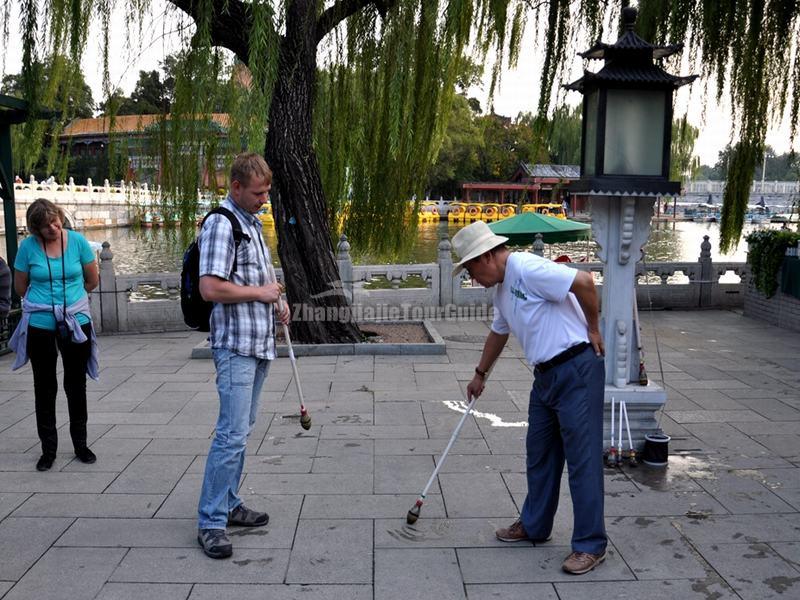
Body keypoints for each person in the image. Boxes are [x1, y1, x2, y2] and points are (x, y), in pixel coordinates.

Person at [455, 220, 607, 575]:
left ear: (488, 256)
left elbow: (584, 282)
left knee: (581, 461)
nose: (472, 278)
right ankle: (535, 525)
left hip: (576, 369)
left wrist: (594, 328)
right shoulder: (502, 291)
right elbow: (499, 333)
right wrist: (480, 374)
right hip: (545, 377)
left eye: (471, 269)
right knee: (539, 453)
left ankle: (590, 545)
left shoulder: (526, 267)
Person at [196, 153, 290, 559]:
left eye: (267, 191)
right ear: (235, 187)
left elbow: (256, 281)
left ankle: (230, 503)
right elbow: (210, 288)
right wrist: (261, 294)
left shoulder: (251, 223)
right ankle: (211, 520)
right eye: (258, 192)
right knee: (231, 434)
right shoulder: (222, 223)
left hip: (258, 341)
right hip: (235, 345)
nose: (264, 199)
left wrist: (276, 301)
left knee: (242, 430)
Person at [9, 199, 99, 471]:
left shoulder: (78, 242)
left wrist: (69, 302)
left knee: (76, 385)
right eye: (46, 225)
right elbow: (21, 287)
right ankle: (48, 449)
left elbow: (92, 280)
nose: (53, 227)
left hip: (75, 321)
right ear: (35, 229)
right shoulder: (27, 248)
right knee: (44, 386)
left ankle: (80, 445)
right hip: (40, 324)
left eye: (55, 221)